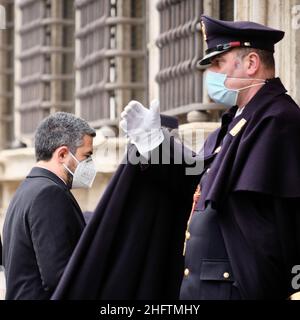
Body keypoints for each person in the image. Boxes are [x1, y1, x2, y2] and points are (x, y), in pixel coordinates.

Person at [51, 15, 300, 300]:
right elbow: (201, 174)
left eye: (219, 63)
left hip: (237, 287)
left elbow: (279, 221)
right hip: (205, 286)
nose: (212, 73)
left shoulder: (278, 119)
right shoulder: (236, 122)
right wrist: (155, 145)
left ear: (252, 63)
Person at [2, 112, 96, 300]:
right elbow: (60, 276)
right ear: (62, 154)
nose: (90, 164)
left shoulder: (26, 190)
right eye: (86, 156)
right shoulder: (49, 194)